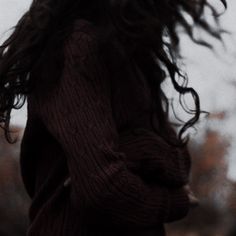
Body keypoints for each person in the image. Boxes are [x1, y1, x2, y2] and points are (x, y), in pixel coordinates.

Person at [0, 0, 226, 235]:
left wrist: (133, 150)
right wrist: (175, 202)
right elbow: (102, 190)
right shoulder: (74, 45)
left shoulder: (131, 56)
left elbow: (178, 163)